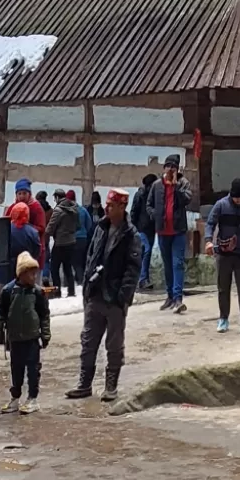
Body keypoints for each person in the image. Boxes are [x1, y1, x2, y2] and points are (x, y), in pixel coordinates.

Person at [67, 189, 142, 403]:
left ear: (122, 207)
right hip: (95, 294)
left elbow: (133, 269)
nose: (106, 208)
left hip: (115, 298)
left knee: (114, 344)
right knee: (88, 341)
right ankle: (84, 384)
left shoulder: (131, 235)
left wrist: (123, 297)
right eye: (106, 204)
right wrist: (87, 286)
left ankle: (111, 386)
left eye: (111, 205)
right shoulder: (100, 227)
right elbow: (91, 255)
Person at [0, 251, 51, 414]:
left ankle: (32, 398)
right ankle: (15, 397)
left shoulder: (37, 292)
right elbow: (1, 313)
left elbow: (44, 315)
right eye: (30, 273)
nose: (34, 277)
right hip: (15, 339)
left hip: (32, 338)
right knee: (16, 369)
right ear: (21, 273)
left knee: (33, 369)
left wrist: (45, 334)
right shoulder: (8, 291)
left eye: (35, 273)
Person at [206, 177, 240, 334]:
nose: (239, 201)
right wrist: (209, 241)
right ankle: (223, 319)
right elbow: (210, 223)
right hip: (224, 254)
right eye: (236, 198)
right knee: (223, 287)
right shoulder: (221, 205)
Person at [150, 153, 191, 313]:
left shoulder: (183, 183)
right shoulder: (156, 185)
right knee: (167, 265)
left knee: (178, 264)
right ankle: (169, 297)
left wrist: (175, 188)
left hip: (178, 230)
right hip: (162, 231)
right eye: (168, 166)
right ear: (164, 168)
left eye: (174, 167)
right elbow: (149, 204)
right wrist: (155, 215)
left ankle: (178, 298)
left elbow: (187, 200)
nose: (171, 169)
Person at [0, 201, 41, 319]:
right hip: (23, 276)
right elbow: (36, 253)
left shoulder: (4, 230)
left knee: (0, 308)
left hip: (2, 275)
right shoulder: (32, 232)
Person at [46, 189, 80, 296]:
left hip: (60, 243)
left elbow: (50, 228)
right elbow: (78, 225)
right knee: (67, 268)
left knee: (54, 268)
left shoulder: (58, 210)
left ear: (57, 197)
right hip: (71, 242)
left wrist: (52, 233)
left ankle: (57, 292)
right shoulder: (74, 209)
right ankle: (71, 291)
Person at [130, 172, 157, 290]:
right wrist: (133, 227)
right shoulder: (140, 195)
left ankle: (141, 277)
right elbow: (133, 212)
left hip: (152, 228)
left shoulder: (156, 196)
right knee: (146, 250)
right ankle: (143, 279)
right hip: (141, 228)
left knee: (147, 253)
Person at [74, 193, 94, 284]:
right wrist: (84, 231)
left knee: (76, 262)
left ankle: (80, 281)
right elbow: (89, 223)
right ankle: (81, 278)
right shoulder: (83, 210)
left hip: (73, 238)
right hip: (84, 238)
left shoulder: (69, 211)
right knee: (83, 260)